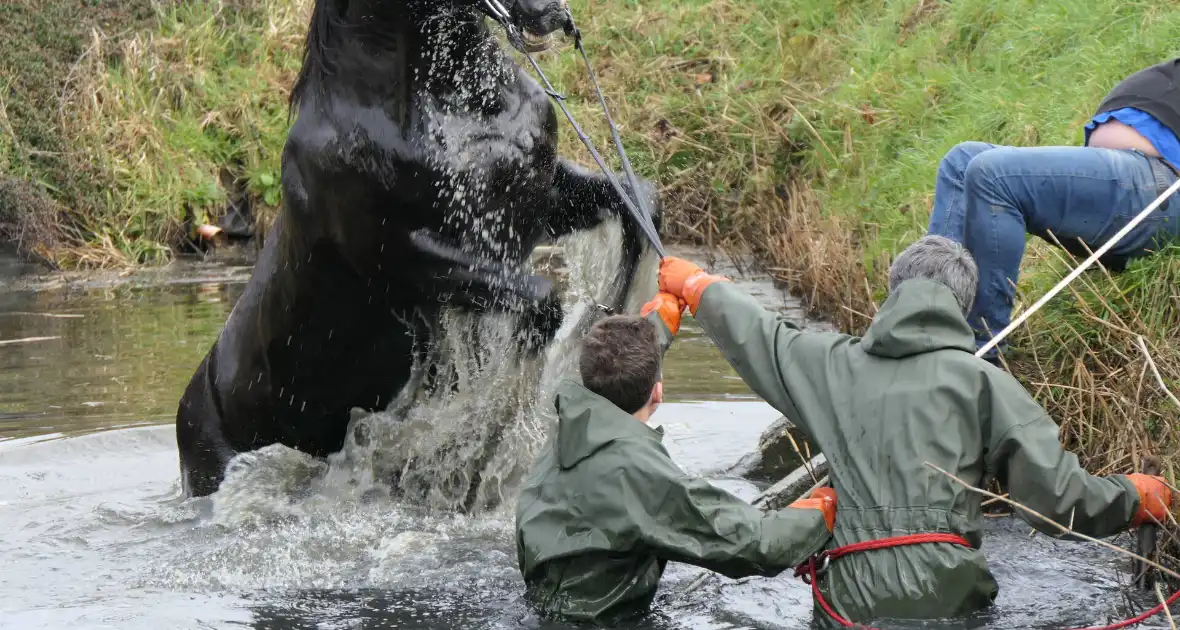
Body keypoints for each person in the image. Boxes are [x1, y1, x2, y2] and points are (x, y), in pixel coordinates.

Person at [655, 236, 1173, 627]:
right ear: (963, 305)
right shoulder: (985, 384)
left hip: (849, 598)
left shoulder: (831, 364)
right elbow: (1057, 501)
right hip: (950, 594)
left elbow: (761, 337)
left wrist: (698, 286)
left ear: (892, 292)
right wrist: (1133, 498)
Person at [514, 291, 838, 623]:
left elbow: (616, 368)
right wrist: (819, 514)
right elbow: (758, 546)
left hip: (539, 611)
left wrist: (657, 325)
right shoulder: (640, 474)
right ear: (658, 391)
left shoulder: (567, 428)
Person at [926, 57, 1180, 362]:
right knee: (961, 160)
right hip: (1116, 191)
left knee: (992, 174)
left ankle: (981, 352)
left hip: (1157, 195)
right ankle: (929, 328)